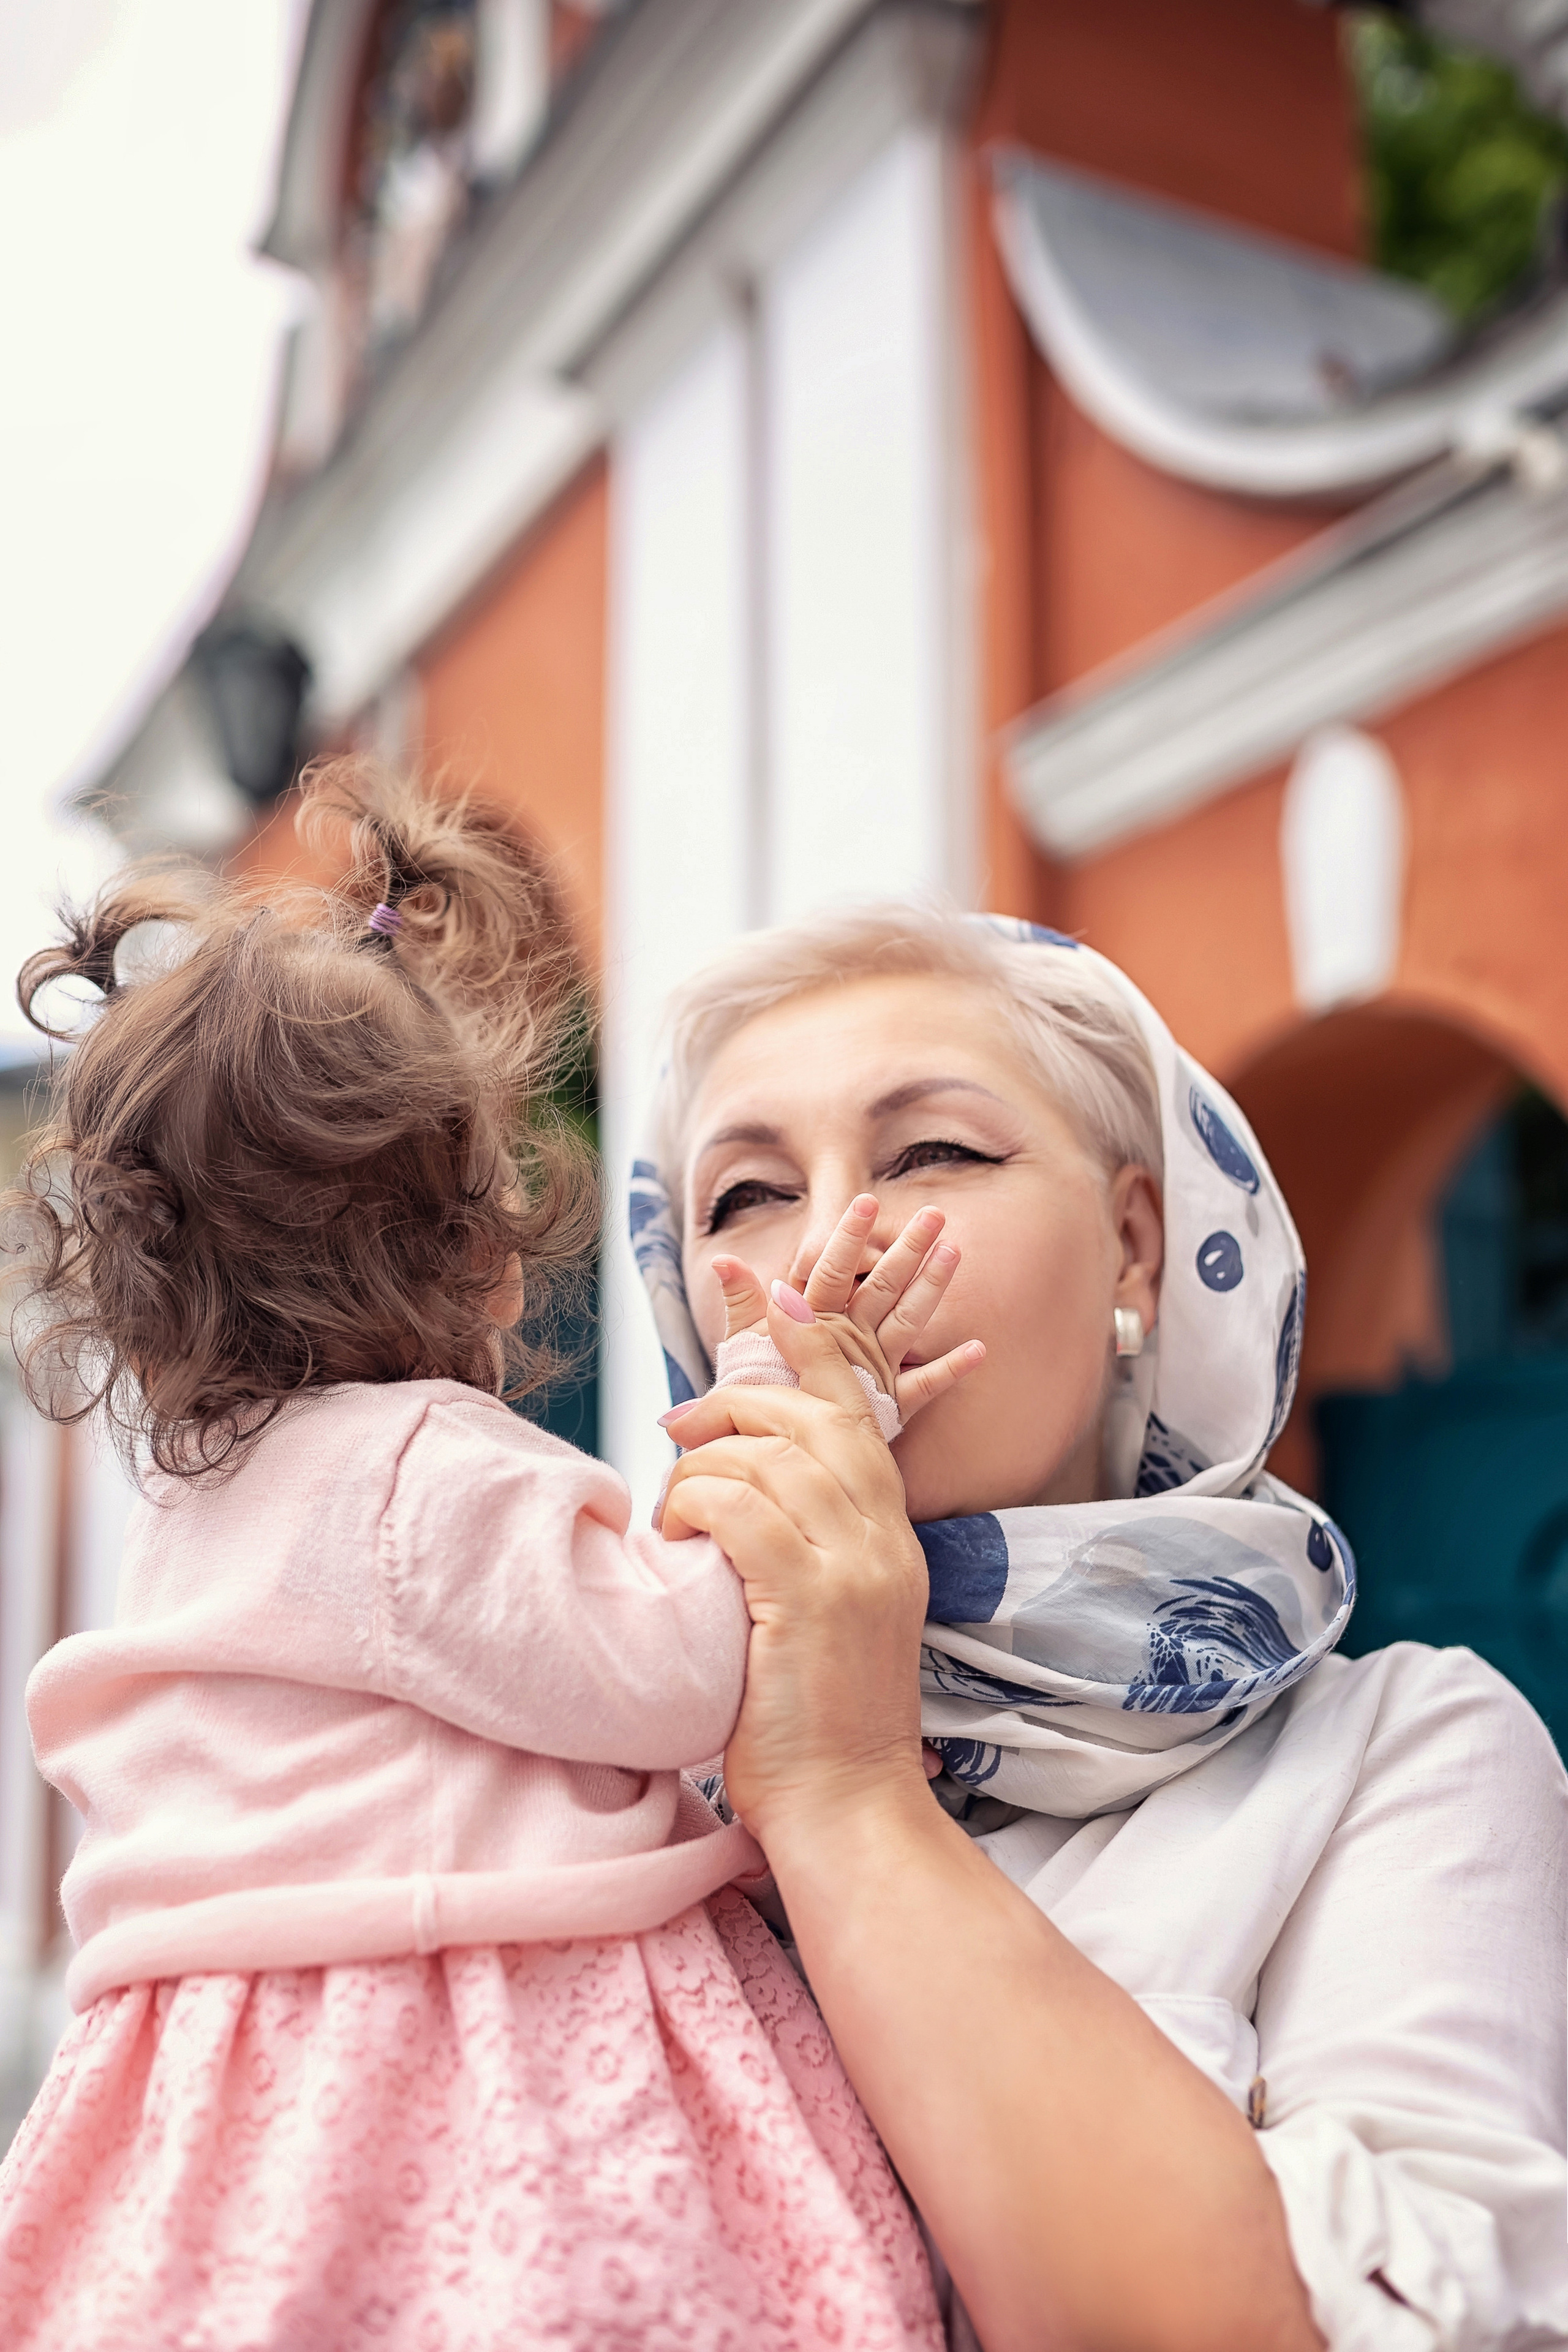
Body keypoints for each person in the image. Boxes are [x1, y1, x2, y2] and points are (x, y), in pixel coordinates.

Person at [0, 771, 974, 2352]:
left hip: (208, 2080)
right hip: (456, 2047)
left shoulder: (191, 1508)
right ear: (476, 1245)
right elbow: (671, 1678)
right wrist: (807, 1406)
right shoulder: (415, 1473)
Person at [628, 903, 1568, 2352]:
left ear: (1132, 1249)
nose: (822, 1255)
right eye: (745, 1194)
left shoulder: (1396, 1754)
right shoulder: (607, 1780)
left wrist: (844, 1788)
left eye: (931, 1155)